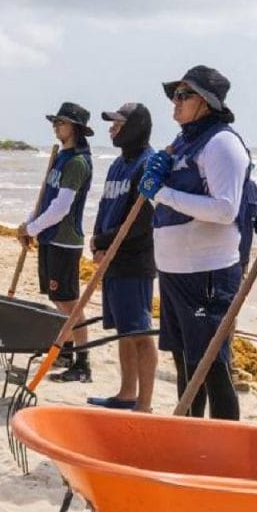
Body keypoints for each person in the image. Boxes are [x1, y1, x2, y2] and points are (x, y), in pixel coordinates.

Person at [138, 66, 249, 419]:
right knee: (185, 363)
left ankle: (226, 444)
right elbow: (167, 201)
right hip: (173, 270)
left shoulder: (222, 144)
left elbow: (226, 209)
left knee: (212, 366)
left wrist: (164, 192)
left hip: (207, 273)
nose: (175, 102)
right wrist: (156, 180)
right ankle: (189, 432)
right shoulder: (182, 142)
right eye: (174, 94)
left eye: (184, 95)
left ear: (206, 103)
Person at [85, 102, 157, 411]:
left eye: (118, 123)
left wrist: (105, 241)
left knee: (139, 331)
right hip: (111, 257)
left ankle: (145, 403)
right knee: (124, 330)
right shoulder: (117, 165)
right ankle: (127, 393)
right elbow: (105, 206)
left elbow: (141, 220)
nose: (112, 128)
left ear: (136, 126)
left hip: (135, 261)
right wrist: (97, 243)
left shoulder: (149, 164)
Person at [17, 102, 94, 382]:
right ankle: (66, 350)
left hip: (65, 240)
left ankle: (82, 362)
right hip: (50, 236)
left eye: (60, 123)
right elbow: (45, 198)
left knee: (70, 303)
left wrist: (33, 229)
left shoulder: (77, 162)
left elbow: (62, 207)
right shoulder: (61, 157)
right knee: (58, 299)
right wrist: (28, 225)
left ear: (74, 127)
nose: (56, 127)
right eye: (55, 122)